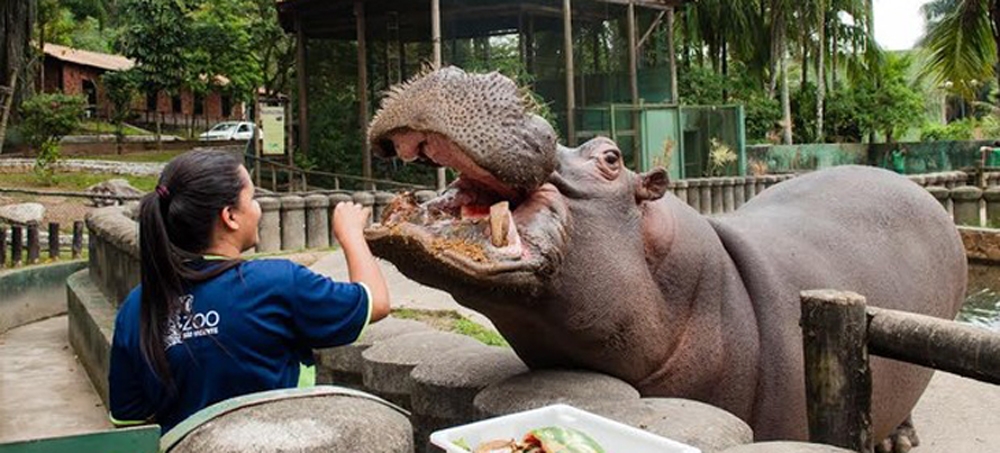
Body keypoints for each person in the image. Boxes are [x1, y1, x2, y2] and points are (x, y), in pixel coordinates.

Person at [108, 149, 389, 433]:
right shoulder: (276, 283)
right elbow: (375, 302)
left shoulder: (137, 306)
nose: (258, 208)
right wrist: (352, 235)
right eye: (252, 199)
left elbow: (130, 421)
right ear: (229, 216)